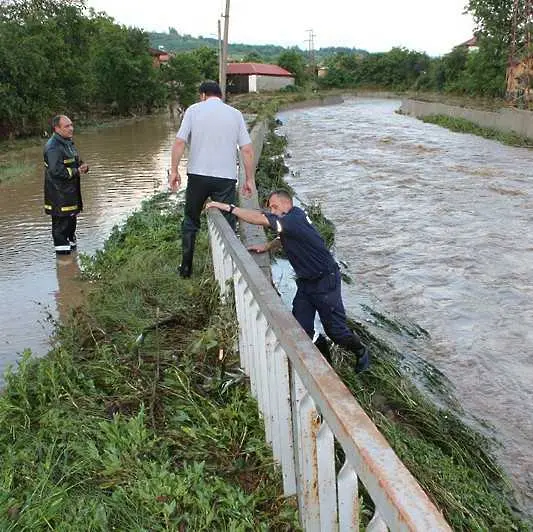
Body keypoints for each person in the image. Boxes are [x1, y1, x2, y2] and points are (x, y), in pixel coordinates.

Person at [205, 189, 370, 372]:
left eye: (275, 206)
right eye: (270, 208)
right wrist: (267, 246)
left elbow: (258, 218)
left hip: (325, 282)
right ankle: (327, 364)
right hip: (307, 283)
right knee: (301, 328)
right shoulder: (293, 217)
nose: (272, 211)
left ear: (286, 203)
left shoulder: (292, 219)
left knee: (336, 331)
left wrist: (228, 207)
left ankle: (361, 351)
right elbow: (283, 235)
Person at [168, 80, 255, 278]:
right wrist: (249, 180)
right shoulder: (235, 114)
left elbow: (180, 142)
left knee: (190, 221)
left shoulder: (193, 110)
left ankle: (186, 268)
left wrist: (174, 171)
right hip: (225, 178)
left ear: (202, 95)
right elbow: (247, 150)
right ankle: (227, 272)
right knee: (227, 223)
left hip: (197, 176)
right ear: (221, 96)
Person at [44, 115, 89, 255]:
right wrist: (77, 171)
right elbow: (56, 171)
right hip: (59, 196)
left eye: (71, 125)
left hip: (70, 194)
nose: (71, 128)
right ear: (57, 128)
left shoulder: (67, 142)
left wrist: (83, 166)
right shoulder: (53, 147)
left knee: (70, 227)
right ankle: (63, 264)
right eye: (67, 126)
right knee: (61, 230)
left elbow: (74, 160)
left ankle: (73, 261)